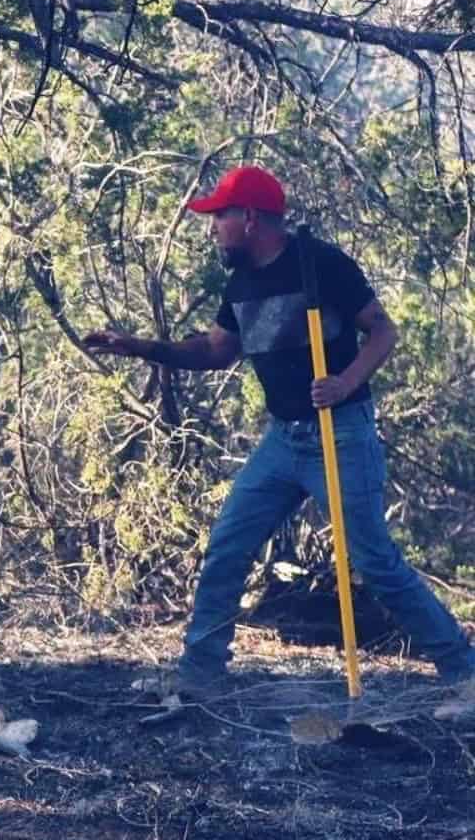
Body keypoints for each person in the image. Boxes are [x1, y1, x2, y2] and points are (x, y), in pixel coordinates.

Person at [84, 164, 474, 699]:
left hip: (340, 432)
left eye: (219, 216)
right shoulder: (240, 282)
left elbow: (383, 330)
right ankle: (201, 674)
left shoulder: (321, 264)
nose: (212, 227)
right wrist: (140, 347)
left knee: (374, 562)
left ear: (249, 218)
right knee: (228, 546)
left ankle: (462, 669)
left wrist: (345, 381)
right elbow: (216, 350)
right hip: (283, 440)